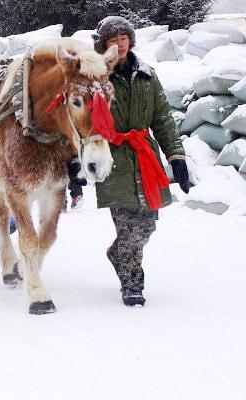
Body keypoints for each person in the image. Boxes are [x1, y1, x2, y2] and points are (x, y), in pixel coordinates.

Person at [92, 16, 190, 307]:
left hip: (146, 157)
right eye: (113, 40)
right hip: (114, 159)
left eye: (124, 38)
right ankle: (132, 285)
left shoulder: (148, 75)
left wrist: (176, 156)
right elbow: (81, 121)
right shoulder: (96, 78)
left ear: (130, 42)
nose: (120, 44)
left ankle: (117, 255)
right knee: (129, 229)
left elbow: (162, 117)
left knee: (147, 226)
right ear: (104, 45)